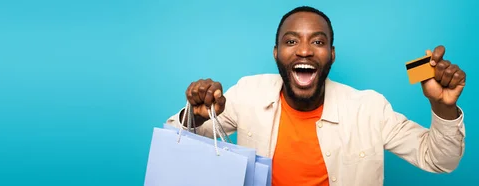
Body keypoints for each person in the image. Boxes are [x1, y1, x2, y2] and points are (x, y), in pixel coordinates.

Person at [165, 6, 466, 186]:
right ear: (276, 53)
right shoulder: (246, 94)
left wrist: (441, 106)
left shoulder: (370, 108)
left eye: (318, 41)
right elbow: (175, 143)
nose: (305, 50)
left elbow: (439, 160)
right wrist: (196, 116)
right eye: (291, 41)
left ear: (331, 55)